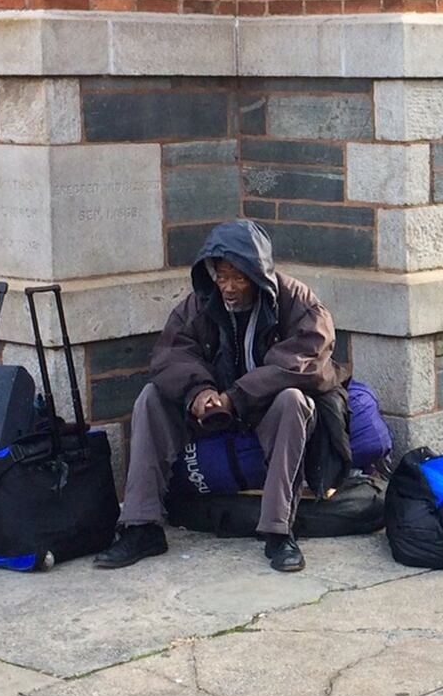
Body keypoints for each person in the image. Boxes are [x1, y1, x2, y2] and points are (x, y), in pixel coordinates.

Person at [95, 220, 340, 574]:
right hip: (214, 411)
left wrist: (238, 395)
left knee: (293, 401)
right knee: (151, 398)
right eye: (220, 276)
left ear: (258, 275)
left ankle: (278, 531)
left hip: (266, 407)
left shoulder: (298, 302)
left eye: (238, 278)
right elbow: (170, 355)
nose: (227, 287)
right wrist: (200, 391)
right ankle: (141, 526)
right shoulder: (198, 304)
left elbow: (310, 359)